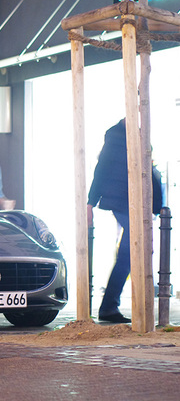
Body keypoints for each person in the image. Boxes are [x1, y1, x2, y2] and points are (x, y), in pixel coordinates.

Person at [87, 118, 163, 323]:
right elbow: (101, 169)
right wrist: (90, 203)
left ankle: (112, 306)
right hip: (124, 203)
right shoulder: (116, 138)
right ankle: (110, 307)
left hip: (134, 203)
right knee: (129, 254)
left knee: (130, 254)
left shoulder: (133, 135)